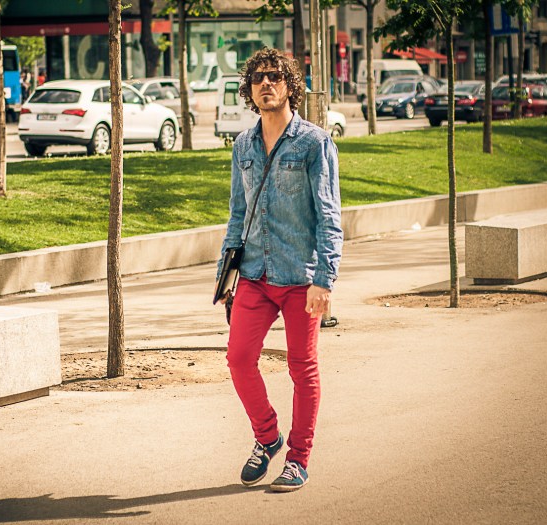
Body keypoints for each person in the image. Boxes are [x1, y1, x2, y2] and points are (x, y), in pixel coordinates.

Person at [216, 47, 342, 492]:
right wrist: (225, 275)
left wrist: (325, 280)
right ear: (249, 91)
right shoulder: (243, 145)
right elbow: (237, 213)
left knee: (302, 367)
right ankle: (267, 437)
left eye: (274, 77)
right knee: (238, 359)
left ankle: (299, 458)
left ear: (290, 85)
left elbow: (329, 215)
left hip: (300, 277)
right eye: (257, 79)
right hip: (253, 273)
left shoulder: (314, 143)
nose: (265, 84)